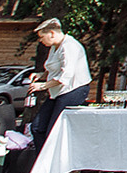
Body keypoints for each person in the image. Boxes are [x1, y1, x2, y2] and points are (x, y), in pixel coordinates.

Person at [22, 18, 91, 152]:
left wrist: (42, 86)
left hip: (72, 91)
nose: (40, 40)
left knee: (54, 130)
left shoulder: (70, 46)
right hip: (57, 93)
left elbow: (66, 76)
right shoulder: (54, 47)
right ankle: (42, 160)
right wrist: (40, 75)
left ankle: (55, 162)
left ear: (52, 33)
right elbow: (53, 68)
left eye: (42, 37)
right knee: (37, 127)